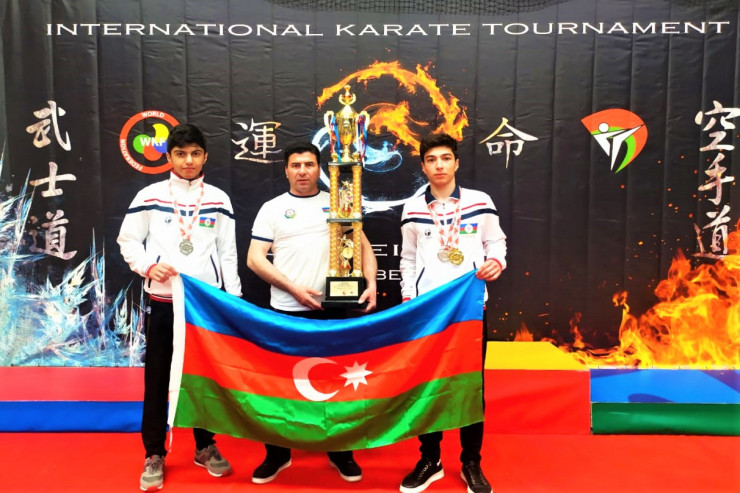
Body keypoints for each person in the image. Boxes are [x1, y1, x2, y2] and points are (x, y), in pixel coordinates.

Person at [118, 123, 242, 492]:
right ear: (169, 157)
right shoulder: (150, 195)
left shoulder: (218, 199)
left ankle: (205, 446)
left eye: (195, 153)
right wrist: (148, 266)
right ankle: (154, 452)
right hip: (163, 301)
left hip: (205, 306)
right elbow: (128, 240)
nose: (188, 161)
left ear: (205, 156)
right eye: (181, 154)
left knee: (203, 378)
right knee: (157, 378)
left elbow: (228, 253)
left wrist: (233, 301)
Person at [246, 141, 378, 485]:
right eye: (296, 165)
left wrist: (372, 281)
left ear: (320, 169)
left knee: (338, 383)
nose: (302, 171)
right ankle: (278, 453)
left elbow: (363, 246)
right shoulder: (273, 208)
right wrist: (293, 289)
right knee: (281, 386)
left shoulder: (339, 202)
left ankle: (340, 451)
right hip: (286, 311)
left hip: (336, 310)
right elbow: (255, 259)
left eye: (308, 164)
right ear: (286, 170)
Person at [398, 133, 506, 493]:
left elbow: (496, 241)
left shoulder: (480, 201)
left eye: (445, 158)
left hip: (469, 309)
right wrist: (409, 300)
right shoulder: (413, 208)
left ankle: (471, 462)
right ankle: (430, 459)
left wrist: (496, 261)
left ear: (456, 163)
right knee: (428, 384)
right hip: (428, 311)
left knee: (470, 386)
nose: (439, 165)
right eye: (431, 159)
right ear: (423, 166)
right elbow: (408, 259)